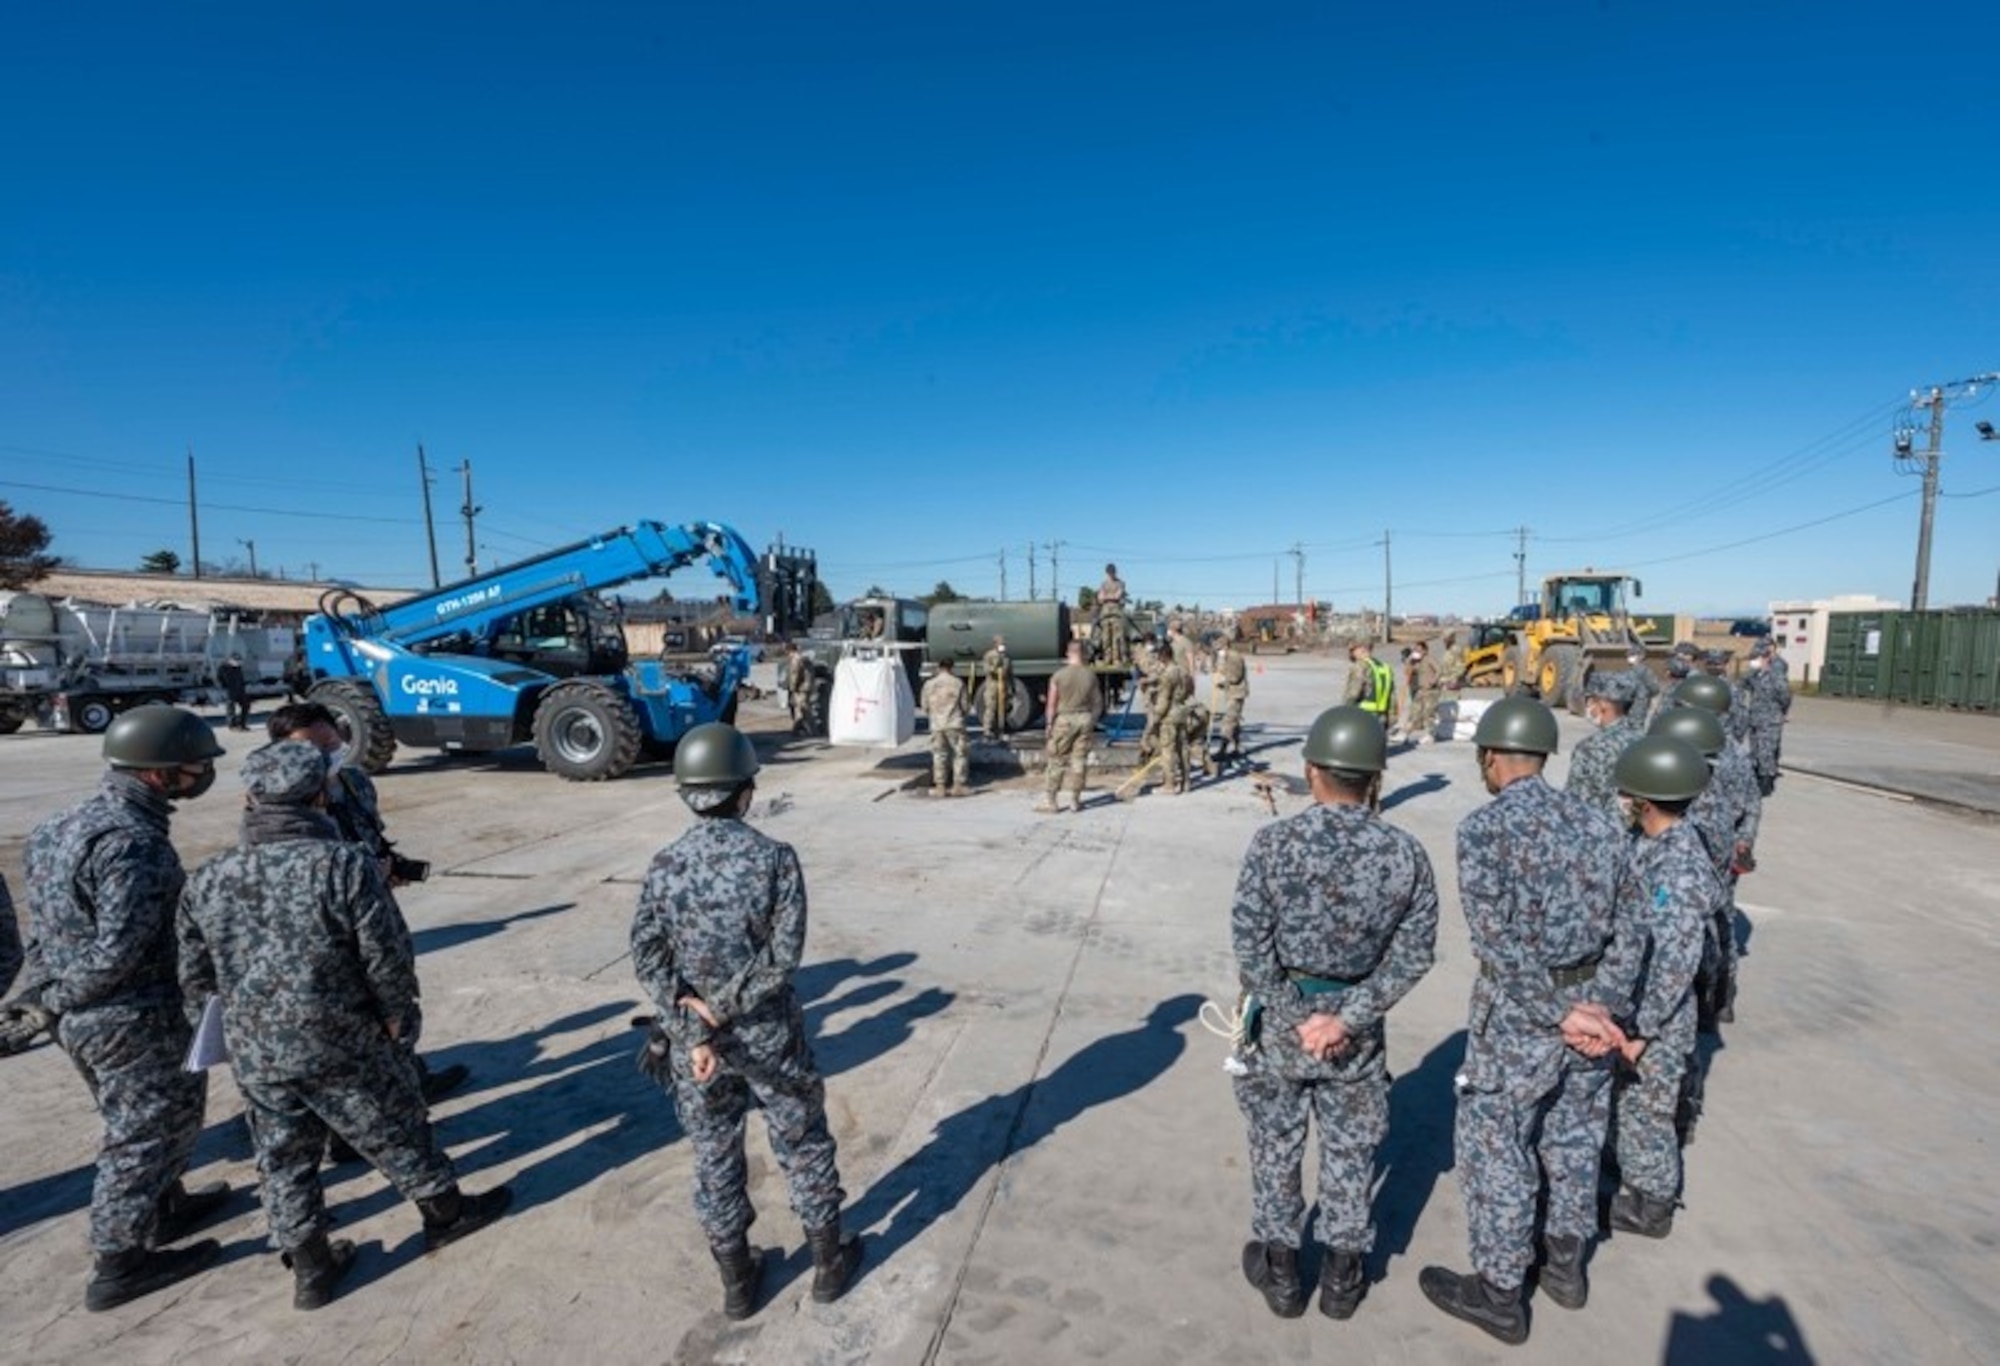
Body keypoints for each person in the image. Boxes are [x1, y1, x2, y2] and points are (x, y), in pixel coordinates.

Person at [178, 741, 513, 1310]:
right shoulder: (344, 865)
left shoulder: (208, 878)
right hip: (343, 1036)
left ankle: (311, 1269)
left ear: (249, 799)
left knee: (282, 1155)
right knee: (394, 1125)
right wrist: (397, 1019)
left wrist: (229, 1032)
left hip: (258, 1047)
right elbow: (385, 955)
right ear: (319, 796)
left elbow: (193, 974)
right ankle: (446, 1214)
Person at [1420, 697, 1640, 1346]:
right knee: (1575, 1137)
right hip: (1593, 1012)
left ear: (1491, 757)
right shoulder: (1601, 824)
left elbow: (1497, 946)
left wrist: (1560, 1011)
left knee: (1500, 1150)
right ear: (1543, 755)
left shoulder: (1484, 831)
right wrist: (1600, 1010)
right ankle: (1566, 1269)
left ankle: (1498, 1293)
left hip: (1521, 1019)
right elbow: (1632, 931)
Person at [630, 723, 862, 1319]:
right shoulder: (774, 860)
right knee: (801, 1139)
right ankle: (829, 1266)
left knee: (713, 1152)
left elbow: (648, 957)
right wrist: (727, 1006)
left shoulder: (664, 865)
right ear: (745, 790)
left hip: (696, 1048)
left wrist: (693, 1024)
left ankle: (737, 1283)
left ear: (687, 791)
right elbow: (782, 958)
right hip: (769, 1037)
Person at [1231, 706, 1438, 1321]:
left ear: (1312, 770)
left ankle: (1284, 1272)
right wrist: (1347, 1018)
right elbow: (1414, 953)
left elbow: (1250, 947)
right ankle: (1345, 1279)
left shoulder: (1273, 843)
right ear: (1375, 777)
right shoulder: (1405, 853)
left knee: (1276, 1143)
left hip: (1282, 1026)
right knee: (1352, 1149)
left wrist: (1297, 1016)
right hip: (1357, 1031)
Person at [24, 705, 231, 1311]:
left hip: (82, 1015)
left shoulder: (59, 825)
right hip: (126, 1015)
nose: (204, 774)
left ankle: (164, 1207)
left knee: (143, 1118)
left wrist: (46, 1000)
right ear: (159, 772)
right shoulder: (134, 844)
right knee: (144, 1131)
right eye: (196, 765)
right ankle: (119, 1262)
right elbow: (119, 950)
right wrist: (56, 1001)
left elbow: (48, 934)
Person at [266, 703, 468, 1110]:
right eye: (313, 747)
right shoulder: (276, 799)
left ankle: (408, 1076)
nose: (327, 751)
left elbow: (369, 830)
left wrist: (386, 865)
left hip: (372, 900)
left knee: (393, 990)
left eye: (331, 741)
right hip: (325, 920)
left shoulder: (356, 781)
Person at [1598, 736, 1721, 1242]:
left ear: (1645, 801)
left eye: (1629, 796)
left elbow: (1676, 959)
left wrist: (1642, 1028)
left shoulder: (1677, 865)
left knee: (1646, 1107)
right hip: (1648, 1004)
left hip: (1659, 1014)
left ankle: (1651, 1205)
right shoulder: (1658, 844)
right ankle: (1634, 1174)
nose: (1623, 803)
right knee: (1632, 1104)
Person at [1564, 672, 1646, 823]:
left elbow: (1575, 802)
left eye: (1589, 701)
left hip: (1599, 831)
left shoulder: (1590, 747)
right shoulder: (1644, 741)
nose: (1588, 707)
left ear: (1602, 705)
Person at [1036, 642, 1101, 814]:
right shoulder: (1091, 676)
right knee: (1079, 760)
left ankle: (1052, 801)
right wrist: (1091, 720)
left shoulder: (1058, 676)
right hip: (1084, 718)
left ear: (1068, 653)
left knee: (1056, 759)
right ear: (1084, 654)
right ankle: (1075, 800)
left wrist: (1049, 724)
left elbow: (1051, 704)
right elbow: (1097, 703)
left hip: (1064, 720)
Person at [1740, 639, 1790, 796]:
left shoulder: (1776, 676)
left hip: (1770, 719)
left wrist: (1781, 712)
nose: (1754, 661)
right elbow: (1742, 684)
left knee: (1766, 751)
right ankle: (1756, 779)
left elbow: (1785, 696)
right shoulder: (1756, 675)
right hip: (1755, 718)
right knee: (1755, 751)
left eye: (1757, 657)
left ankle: (1766, 784)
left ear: (1766, 657)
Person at [920, 659, 970, 797]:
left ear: (939, 667)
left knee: (939, 754)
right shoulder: (958, 683)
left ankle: (940, 786)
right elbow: (965, 706)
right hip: (955, 723)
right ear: (951, 668)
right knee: (960, 754)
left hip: (936, 724)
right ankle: (958, 785)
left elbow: (924, 706)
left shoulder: (929, 684)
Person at [1152, 645, 1193, 796]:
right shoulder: (1182, 670)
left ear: (1163, 657)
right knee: (1183, 748)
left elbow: (1163, 700)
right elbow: (1190, 689)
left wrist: (1155, 718)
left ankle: (1169, 785)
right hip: (1182, 712)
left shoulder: (1167, 675)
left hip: (1169, 716)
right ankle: (1186, 781)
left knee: (1167, 750)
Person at [1343, 641, 1396, 731]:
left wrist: (1345, 712)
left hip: (1362, 716)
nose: (1351, 654)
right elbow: (1392, 697)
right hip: (1381, 716)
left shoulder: (1360, 666)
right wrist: (1391, 718)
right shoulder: (1385, 667)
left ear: (1362, 649)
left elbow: (1353, 693)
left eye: (1353, 650)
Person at [1213, 636, 1250, 761]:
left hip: (1237, 694)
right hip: (1230, 692)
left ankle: (1222, 750)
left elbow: (1235, 677)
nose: (1218, 651)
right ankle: (1237, 747)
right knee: (1234, 721)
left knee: (1228, 721)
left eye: (1219, 648)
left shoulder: (1234, 657)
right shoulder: (1224, 657)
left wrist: (1224, 680)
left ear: (1225, 646)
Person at [1399, 642, 1442, 745]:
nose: (1416, 652)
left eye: (1419, 650)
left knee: (1429, 713)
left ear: (1425, 650)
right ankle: (1405, 734)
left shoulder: (1429, 658)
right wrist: (1409, 660)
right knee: (1414, 713)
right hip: (1420, 690)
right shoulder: (1417, 662)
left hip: (1431, 691)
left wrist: (1433, 681)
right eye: (1415, 650)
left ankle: (1430, 735)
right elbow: (1408, 672)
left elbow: (1439, 670)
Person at [1097, 564, 1129, 668]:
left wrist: (1107, 596)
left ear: (1115, 572)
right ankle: (1107, 659)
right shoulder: (1103, 584)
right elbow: (1100, 599)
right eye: (1109, 572)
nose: (1111, 574)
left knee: (1117, 638)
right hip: (1105, 614)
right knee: (1106, 638)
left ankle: (1116, 659)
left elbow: (1118, 596)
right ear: (1106, 573)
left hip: (1117, 614)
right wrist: (1110, 597)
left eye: (1112, 572)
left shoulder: (1120, 583)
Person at [980, 635, 1011, 740]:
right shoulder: (989, 655)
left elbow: (1010, 672)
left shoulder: (1006, 656)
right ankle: (987, 730)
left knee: (1002, 709)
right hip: (992, 685)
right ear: (995, 644)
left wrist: (1011, 686)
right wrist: (995, 667)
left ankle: (1000, 729)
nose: (1002, 645)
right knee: (991, 708)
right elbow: (986, 669)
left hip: (1003, 685)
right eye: (1000, 643)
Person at [1622, 645, 1661, 725]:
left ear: (1641, 656)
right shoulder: (1634, 670)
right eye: (1629, 655)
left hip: (1638, 702)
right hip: (1633, 702)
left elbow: (1654, 687)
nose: (1629, 657)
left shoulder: (1643, 671)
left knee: (1634, 724)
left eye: (1633, 655)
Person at [782, 641, 815, 736]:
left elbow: (794, 675)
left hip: (801, 688)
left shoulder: (796, 659)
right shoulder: (803, 657)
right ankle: (802, 730)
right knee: (803, 708)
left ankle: (807, 731)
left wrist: (791, 688)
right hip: (806, 686)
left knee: (802, 709)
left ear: (789, 650)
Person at [216, 653, 252, 730]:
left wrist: (243, 686)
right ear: (230, 660)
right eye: (236, 661)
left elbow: (241, 678)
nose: (238, 663)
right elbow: (219, 678)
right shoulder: (223, 667)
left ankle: (242, 723)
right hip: (230, 690)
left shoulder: (238, 668)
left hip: (240, 690)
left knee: (246, 705)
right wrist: (223, 686)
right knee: (231, 708)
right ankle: (232, 724)